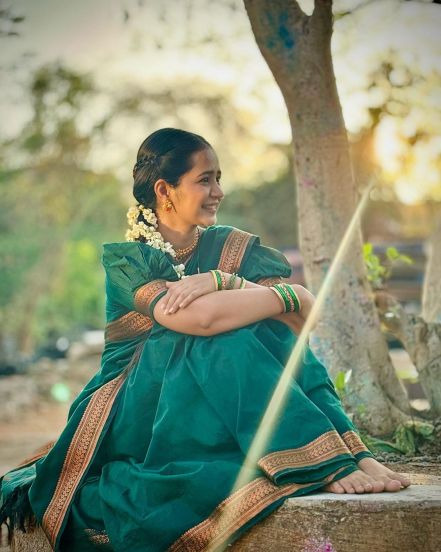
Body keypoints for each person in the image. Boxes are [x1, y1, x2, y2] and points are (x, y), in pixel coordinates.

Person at [0, 128, 411, 551]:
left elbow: (297, 324)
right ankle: (321, 459)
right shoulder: (129, 261)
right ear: (165, 190)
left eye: (218, 177)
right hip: (137, 405)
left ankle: (350, 450)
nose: (218, 191)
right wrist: (290, 295)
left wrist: (226, 280)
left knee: (262, 331)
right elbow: (201, 322)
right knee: (219, 338)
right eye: (205, 179)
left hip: (213, 392)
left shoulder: (231, 248)